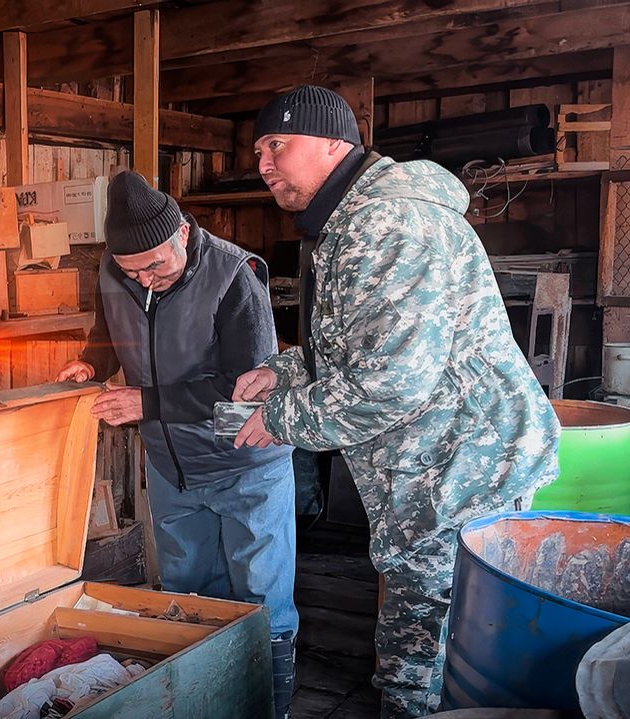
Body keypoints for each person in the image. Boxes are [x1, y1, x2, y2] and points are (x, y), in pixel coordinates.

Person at [232, 85, 560, 719]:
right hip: (434, 462)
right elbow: (371, 345)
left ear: (334, 143)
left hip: (464, 466)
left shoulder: (391, 222)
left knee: (426, 648)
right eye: (259, 149)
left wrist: (280, 418)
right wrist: (287, 370)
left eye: (278, 144)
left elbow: (391, 383)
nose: (264, 163)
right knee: (433, 634)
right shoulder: (352, 219)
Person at [56, 171, 299, 717]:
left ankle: (269, 704)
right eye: (130, 270)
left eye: (155, 266)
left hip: (244, 461)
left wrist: (149, 403)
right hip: (172, 465)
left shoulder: (236, 276)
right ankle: (205, 702)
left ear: (183, 235)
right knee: (188, 594)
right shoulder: (117, 270)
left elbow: (245, 389)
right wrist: (91, 361)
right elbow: (107, 331)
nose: (143, 280)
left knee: (259, 597)